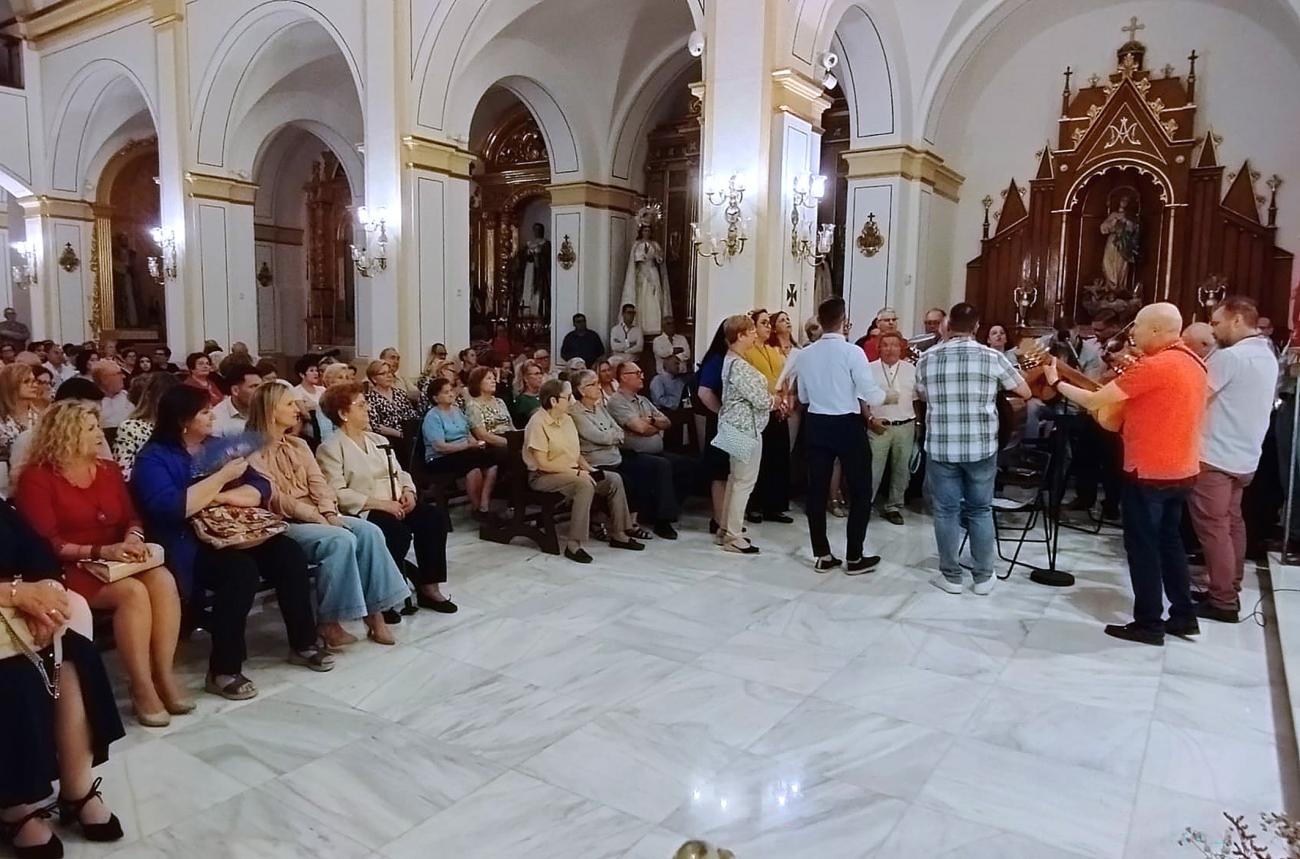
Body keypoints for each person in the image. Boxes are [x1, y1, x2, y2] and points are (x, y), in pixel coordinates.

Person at [132, 386, 331, 702]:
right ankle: (223, 669)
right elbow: (171, 508)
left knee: (288, 554)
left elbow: (260, 486)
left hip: (237, 528)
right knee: (239, 573)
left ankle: (304, 642)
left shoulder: (216, 445)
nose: (213, 416)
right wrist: (221, 479)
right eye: (204, 412)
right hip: (190, 542)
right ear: (183, 420)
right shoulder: (154, 458)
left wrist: (217, 497)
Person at [14, 401, 188, 727]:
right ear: (67, 434)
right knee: (133, 593)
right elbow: (46, 543)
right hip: (67, 564)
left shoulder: (106, 470)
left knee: (162, 580)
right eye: (91, 429)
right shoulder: (36, 479)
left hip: (117, 555)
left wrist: (134, 538)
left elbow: (132, 517)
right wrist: (100, 549)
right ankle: (141, 686)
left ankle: (164, 674)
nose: (100, 435)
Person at [1046, 302, 1207, 645]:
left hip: (1149, 470)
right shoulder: (1194, 361)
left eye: (1136, 328)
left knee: (1144, 547)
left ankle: (1149, 623)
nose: (1131, 334)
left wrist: (1056, 381)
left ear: (1155, 331)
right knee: (1170, 542)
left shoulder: (1155, 366)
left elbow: (1095, 402)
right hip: (1183, 468)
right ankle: (1183, 615)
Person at [0, 500, 125, 858]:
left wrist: (48, 595)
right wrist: (15, 594)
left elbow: (36, 549)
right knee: (15, 673)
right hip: (7, 606)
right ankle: (15, 806)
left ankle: (77, 788)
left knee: (72, 653)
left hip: (11, 612)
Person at [248, 383, 410, 648]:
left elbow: (319, 484)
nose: (297, 410)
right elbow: (275, 497)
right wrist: (318, 516)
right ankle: (330, 621)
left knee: (369, 532)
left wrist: (328, 511)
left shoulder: (299, 445)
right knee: (340, 540)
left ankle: (376, 614)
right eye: (289, 404)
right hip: (282, 521)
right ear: (269, 410)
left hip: (319, 513)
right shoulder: (253, 451)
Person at [916, 302, 1030, 594]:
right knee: (980, 510)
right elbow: (1024, 391)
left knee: (946, 511)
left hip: (942, 445)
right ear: (977, 326)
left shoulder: (927, 358)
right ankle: (983, 577)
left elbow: (923, 396)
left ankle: (951, 576)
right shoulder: (991, 357)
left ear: (948, 325)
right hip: (980, 445)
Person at [316, 383, 455, 613]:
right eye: (361, 405)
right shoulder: (330, 447)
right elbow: (337, 492)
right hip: (366, 509)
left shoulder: (377, 440)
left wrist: (408, 492)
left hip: (396, 502)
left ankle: (430, 586)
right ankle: (383, 596)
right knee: (394, 533)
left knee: (433, 518)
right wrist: (383, 505)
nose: (368, 408)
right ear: (343, 414)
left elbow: (400, 473)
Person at [1187, 297, 1277, 623]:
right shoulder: (1267, 355)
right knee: (1232, 522)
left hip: (1214, 453)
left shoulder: (1230, 357)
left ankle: (1223, 600)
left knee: (1214, 528)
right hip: (1244, 455)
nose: (1214, 329)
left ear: (1237, 320)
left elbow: (1194, 396)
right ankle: (1230, 585)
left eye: (1216, 322)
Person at [796, 299, 888, 571]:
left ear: (820, 322)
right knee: (861, 490)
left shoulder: (805, 354)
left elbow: (802, 395)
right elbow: (870, 393)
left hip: (816, 423)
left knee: (816, 490)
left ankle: (822, 555)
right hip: (847, 425)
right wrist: (887, 396)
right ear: (844, 320)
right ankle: (855, 556)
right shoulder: (852, 353)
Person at [524, 379, 642, 563]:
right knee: (584, 485)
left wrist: (589, 469)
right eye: (567, 397)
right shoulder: (538, 422)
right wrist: (578, 473)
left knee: (613, 479)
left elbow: (575, 453)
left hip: (570, 470)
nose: (572, 401)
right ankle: (574, 544)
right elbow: (542, 464)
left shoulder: (567, 419)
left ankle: (619, 533)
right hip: (544, 476)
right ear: (554, 401)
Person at [604, 363, 693, 539]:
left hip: (653, 451)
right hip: (631, 455)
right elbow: (639, 428)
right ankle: (662, 521)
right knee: (662, 466)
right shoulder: (617, 401)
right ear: (624, 377)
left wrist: (650, 421)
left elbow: (666, 422)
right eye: (637, 373)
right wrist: (651, 426)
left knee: (688, 466)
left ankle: (663, 508)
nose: (642, 376)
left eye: (641, 372)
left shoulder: (643, 400)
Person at [713, 315, 775, 554]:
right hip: (743, 428)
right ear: (739, 335)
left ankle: (725, 529)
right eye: (750, 331)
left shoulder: (732, 361)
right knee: (743, 482)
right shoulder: (738, 364)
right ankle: (733, 535)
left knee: (735, 479)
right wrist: (774, 399)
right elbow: (759, 399)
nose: (755, 335)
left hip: (734, 425)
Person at [738, 309, 793, 524]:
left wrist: (784, 401)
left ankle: (775, 506)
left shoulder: (772, 349)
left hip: (777, 408)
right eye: (763, 323)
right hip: (758, 411)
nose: (768, 326)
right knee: (759, 461)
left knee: (778, 458)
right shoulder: (747, 352)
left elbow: (782, 377)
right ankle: (754, 506)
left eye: (768, 323)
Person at [422, 377, 497, 518]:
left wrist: (475, 443)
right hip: (440, 458)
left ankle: (484, 505)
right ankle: (477, 508)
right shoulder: (432, 416)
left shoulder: (457, 411)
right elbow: (440, 446)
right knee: (473, 466)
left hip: (464, 451)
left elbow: (467, 433)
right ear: (435, 398)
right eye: (445, 392)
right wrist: (466, 446)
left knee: (492, 461)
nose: (451, 394)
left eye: (451, 390)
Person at [867, 331, 917, 525]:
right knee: (872, 469)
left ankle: (894, 506)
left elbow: (917, 399)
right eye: (885, 345)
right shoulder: (869, 369)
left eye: (894, 345)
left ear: (901, 348)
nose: (890, 349)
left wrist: (918, 424)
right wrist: (870, 419)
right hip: (878, 425)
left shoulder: (911, 369)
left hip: (905, 425)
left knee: (901, 470)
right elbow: (861, 398)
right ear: (879, 348)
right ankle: (865, 503)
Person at [696, 321, 732, 535]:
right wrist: (722, 413)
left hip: (730, 425)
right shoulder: (717, 360)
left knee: (730, 471)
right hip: (720, 424)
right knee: (720, 472)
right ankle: (718, 519)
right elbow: (704, 392)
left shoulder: (731, 359)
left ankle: (727, 518)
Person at [114, 372, 180, 479]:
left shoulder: (179, 426)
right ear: (149, 396)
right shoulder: (131, 428)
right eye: (164, 398)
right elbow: (123, 472)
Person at [365, 359, 421, 444]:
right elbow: (375, 425)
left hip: (409, 436)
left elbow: (412, 415)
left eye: (389, 372)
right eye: (383, 374)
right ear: (374, 379)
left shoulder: (400, 393)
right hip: (387, 440)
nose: (388, 376)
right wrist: (399, 434)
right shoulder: (370, 398)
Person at [464, 367, 517, 457]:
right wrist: (510, 443)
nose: (494, 381)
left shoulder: (500, 402)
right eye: (489, 378)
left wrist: (520, 439)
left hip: (509, 438)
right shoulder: (473, 405)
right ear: (478, 383)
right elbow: (482, 435)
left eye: (493, 378)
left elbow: (511, 427)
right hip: (491, 444)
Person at [0, 364, 43, 466]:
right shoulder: (2, 420)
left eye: (34, 381)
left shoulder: (42, 417)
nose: (35, 385)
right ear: (12, 385)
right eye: (27, 381)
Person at [213, 364, 263, 437]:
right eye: (254, 386)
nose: (260, 392)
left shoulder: (266, 409)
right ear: (235, 390)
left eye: (261, 386)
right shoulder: (217, 419)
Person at [93, 360, 131, 430]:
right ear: (104, 379)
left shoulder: (130, 397)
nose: (124, 376)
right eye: (119, 373)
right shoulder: (92, 403)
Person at [512, 360, 545, 425]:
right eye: (536, 374)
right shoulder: (522, 400)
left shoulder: (545, 396)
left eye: (540, 373)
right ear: (525, 378)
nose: (540, 376)